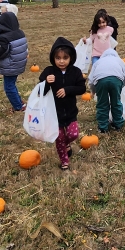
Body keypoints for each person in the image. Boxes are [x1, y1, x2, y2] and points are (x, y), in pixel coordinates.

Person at [40, 37, 86, 169]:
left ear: (71, 57)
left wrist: (68, 90)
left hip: (70, 112)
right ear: (53, 58)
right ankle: (64, 161)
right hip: (54, 114)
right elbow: (40, 92)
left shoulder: (75, 72)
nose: (61, 61)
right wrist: (46, 83)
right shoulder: (48, 72)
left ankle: (67, 143)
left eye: (65, 57)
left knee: (73, 134)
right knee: (59, 138)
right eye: (58, 58)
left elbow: (82, 89)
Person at [0, 12, 28, 112]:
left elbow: (2, 52)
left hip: (11, 65)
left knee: (9, 87)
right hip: (19, 63)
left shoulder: (4, 38)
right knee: (12, 84)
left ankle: (18, 107)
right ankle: (19, 101)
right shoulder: (20, 33)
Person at [88, 48, 125, 134]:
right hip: (116, 80)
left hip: (100, 80)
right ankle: (118, 124)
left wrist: (93, 90)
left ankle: (103, 127)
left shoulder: (98, 62)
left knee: (102, 103)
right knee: (116, 102)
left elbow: (91, 79)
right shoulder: (119, 61)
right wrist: (122, 85)